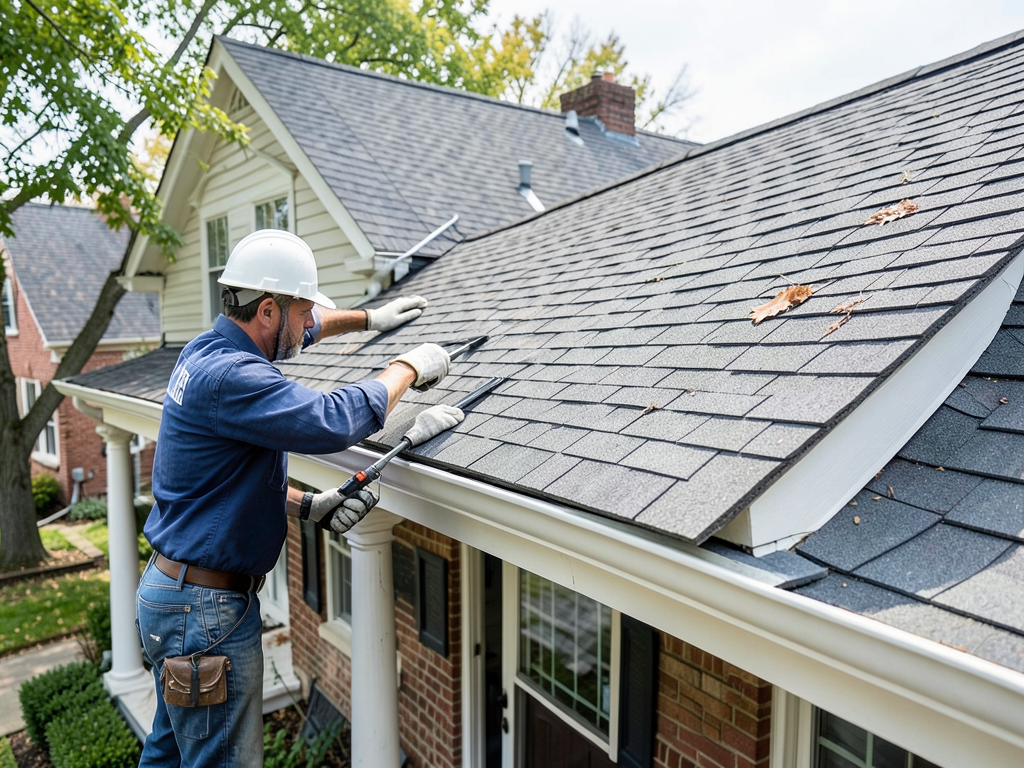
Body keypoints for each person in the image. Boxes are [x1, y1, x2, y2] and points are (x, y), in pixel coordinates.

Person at [136, 229, 462, 767]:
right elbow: (332, 421)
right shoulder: (234, 377)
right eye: (305, 309)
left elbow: (220, 485)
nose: (311, 324)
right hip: (205, 613)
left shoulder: (207, 351)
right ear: (267, 309)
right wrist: (406, 367)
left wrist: (368, 319)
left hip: (174, 598)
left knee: (168, 757)